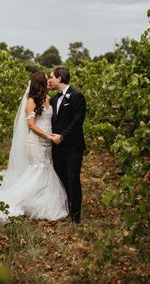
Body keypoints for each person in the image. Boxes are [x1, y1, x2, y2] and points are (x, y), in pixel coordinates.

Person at [0, 71, 69, 223]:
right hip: (36, 141)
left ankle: (41, 202)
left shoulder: (49, 99)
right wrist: (48, 136)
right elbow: (31, 125)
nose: (49, 80)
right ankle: (21, 200)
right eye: (46, 78)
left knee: (47, 169)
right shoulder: (31, 101)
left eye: (50, 78)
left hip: (47, 144)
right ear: (40, 83)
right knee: (38, 170)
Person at [49, 67, 87, 224]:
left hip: (73, 146)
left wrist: (63, 136)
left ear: (59, 78)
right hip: (57, 147)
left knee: (72, 178)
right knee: (61, 178)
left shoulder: (77, 96)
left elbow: (77, 121)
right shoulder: (53, 99)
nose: (49, 80)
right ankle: (65, 207)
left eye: (51, 77)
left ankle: (76, 216)